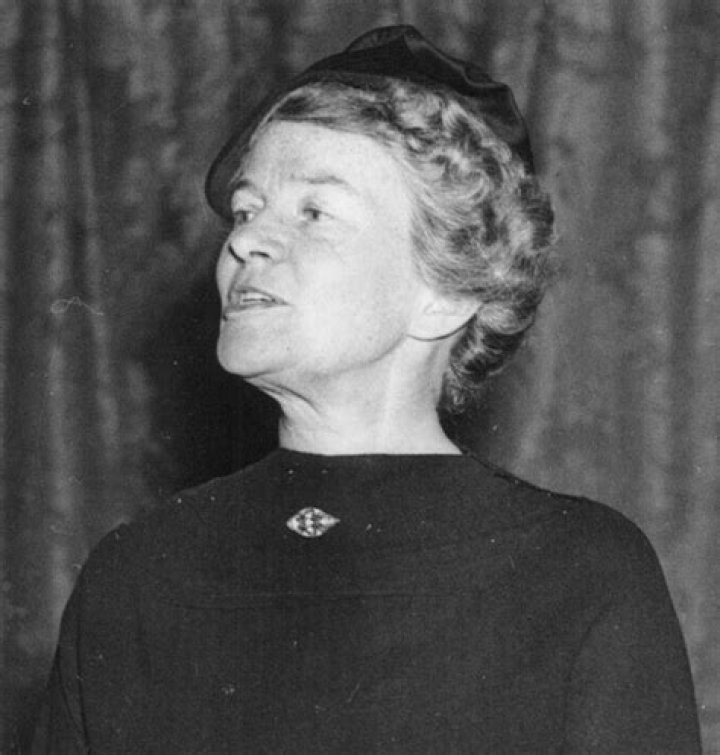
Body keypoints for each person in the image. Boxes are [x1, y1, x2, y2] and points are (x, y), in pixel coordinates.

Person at [33, 26, 700, 753]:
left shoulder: (580, 575)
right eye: (247, 210)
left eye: (314, 212)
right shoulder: (137, 573)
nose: (243, 241)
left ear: (446, 292)